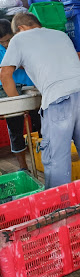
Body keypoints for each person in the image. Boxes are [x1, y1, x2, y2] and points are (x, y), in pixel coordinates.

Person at [0, 12, 80, 188]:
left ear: (21, 29)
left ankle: (58, 210)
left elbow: (5, 74)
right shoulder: (60, 35)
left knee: (57, 164)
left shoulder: (19, 39)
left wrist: (16, 102)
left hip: (59, 101)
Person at [0, 19, 41, 171]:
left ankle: (44, 161)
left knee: (40, 124)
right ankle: (23, 167)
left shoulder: (23, 41)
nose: (6, 44)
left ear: (15, 33)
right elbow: (4, 74)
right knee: (15, 128)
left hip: (31, 86)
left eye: (9, 39)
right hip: (9, 90)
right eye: (2, 42)